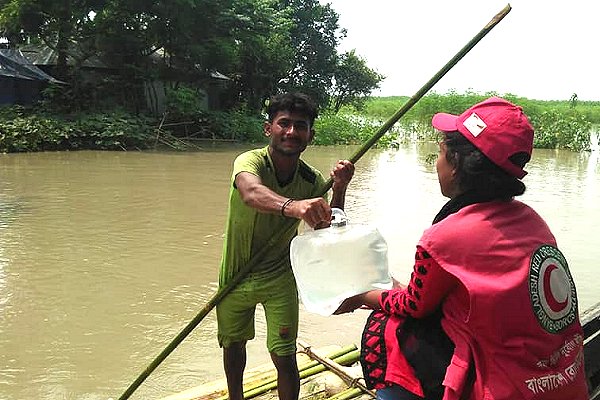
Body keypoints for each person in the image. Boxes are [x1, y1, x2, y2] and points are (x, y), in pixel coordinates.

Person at [335, 97, 588, 400]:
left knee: (385, 329)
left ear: (457, 165)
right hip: (563, 379)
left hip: (508, 389)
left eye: (440, 153)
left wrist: (361, 296)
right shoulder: (533, 221)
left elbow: (414, 305)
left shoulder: (446, 236)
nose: (436, 163)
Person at [216, 92, 355, 400]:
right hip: (235, 274)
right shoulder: (249, 161)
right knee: (233, 345)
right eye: (284, 123)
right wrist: (294, 207)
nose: (292, 132)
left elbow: (324, 230)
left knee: (284, 355)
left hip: (280, 278)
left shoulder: (311, 179)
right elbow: (251, 193)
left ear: (311, 134)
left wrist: (340, 189)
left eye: (300, 126)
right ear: (269, 129)